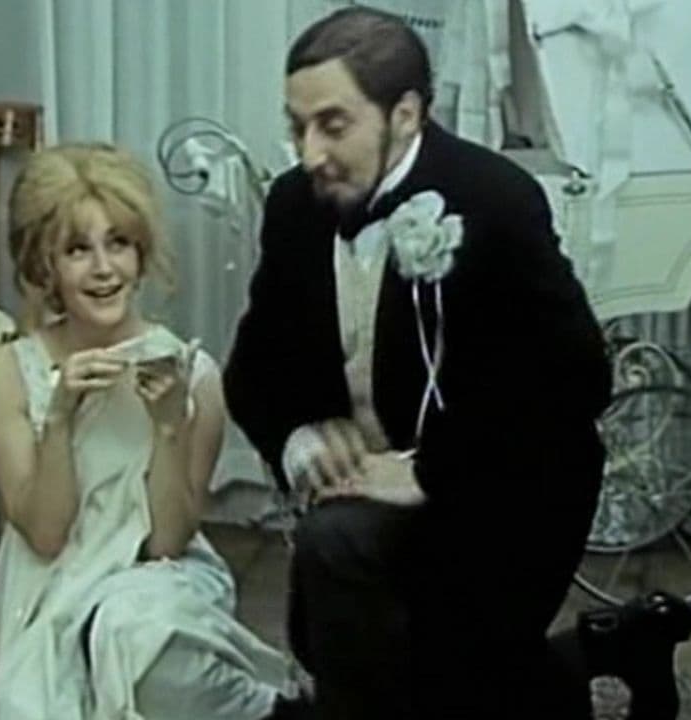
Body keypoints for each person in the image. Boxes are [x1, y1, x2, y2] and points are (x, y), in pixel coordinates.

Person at [223, 7, 613, 719]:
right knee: (348, 588)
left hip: (506, 491)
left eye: (332, 125)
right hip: (369, 492)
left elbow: (578, 379)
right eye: (297, 127)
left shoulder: (495, 200)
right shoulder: (294, 205)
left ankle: (559, 667)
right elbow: (254, 367)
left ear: (405, 114)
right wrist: (299, 438)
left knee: (441, 667)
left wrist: (431, 472)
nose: (309, 153)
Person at [0, 143, 303, 720]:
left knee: (137, 642)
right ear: (44, 266)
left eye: (119, 243)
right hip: (52, 583)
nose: (104, 269)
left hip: (158, 585)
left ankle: (269, 710)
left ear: (141, 251)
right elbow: (46, 537)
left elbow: (166, 543)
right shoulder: (3, 375)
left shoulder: (194, 376)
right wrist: (59, 417)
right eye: (78, 250)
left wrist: (170, 425)